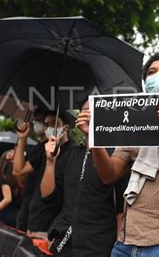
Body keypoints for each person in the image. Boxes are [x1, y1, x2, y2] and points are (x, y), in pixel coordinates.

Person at [76, 52, 159, 256]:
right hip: (127, 242)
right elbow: (109, 174)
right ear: (145, 83)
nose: (157, 76)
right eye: (151, 72)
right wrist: (93, 137)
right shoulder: (134, 123)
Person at [41, 101, 128, 256]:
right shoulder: (71, 154)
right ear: (79, 116)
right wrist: (50, 161)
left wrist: (119, 246)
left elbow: (121, 208)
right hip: (64, 242)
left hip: (98, 246)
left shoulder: (117, 155)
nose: (90, 114)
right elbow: (48, 196)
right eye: (87, 110)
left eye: (96, 110)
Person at [13, 111, 74, 239]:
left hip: (53, 226)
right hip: (34, 220)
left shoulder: (74, 153)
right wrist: (22, 138)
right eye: (46, 125)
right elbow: (18, 170)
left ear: (66, 128)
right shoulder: (43, 149)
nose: (50, 128)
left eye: (54, 123)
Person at [16, 108, 47, 232]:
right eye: (36, 120)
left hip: (41, 215)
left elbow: (18, 170)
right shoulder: (35, 149)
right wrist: (22, 138)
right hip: (27, 207)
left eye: (41, 120)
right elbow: (19, 175)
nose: (36, 123)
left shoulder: (52, 149)